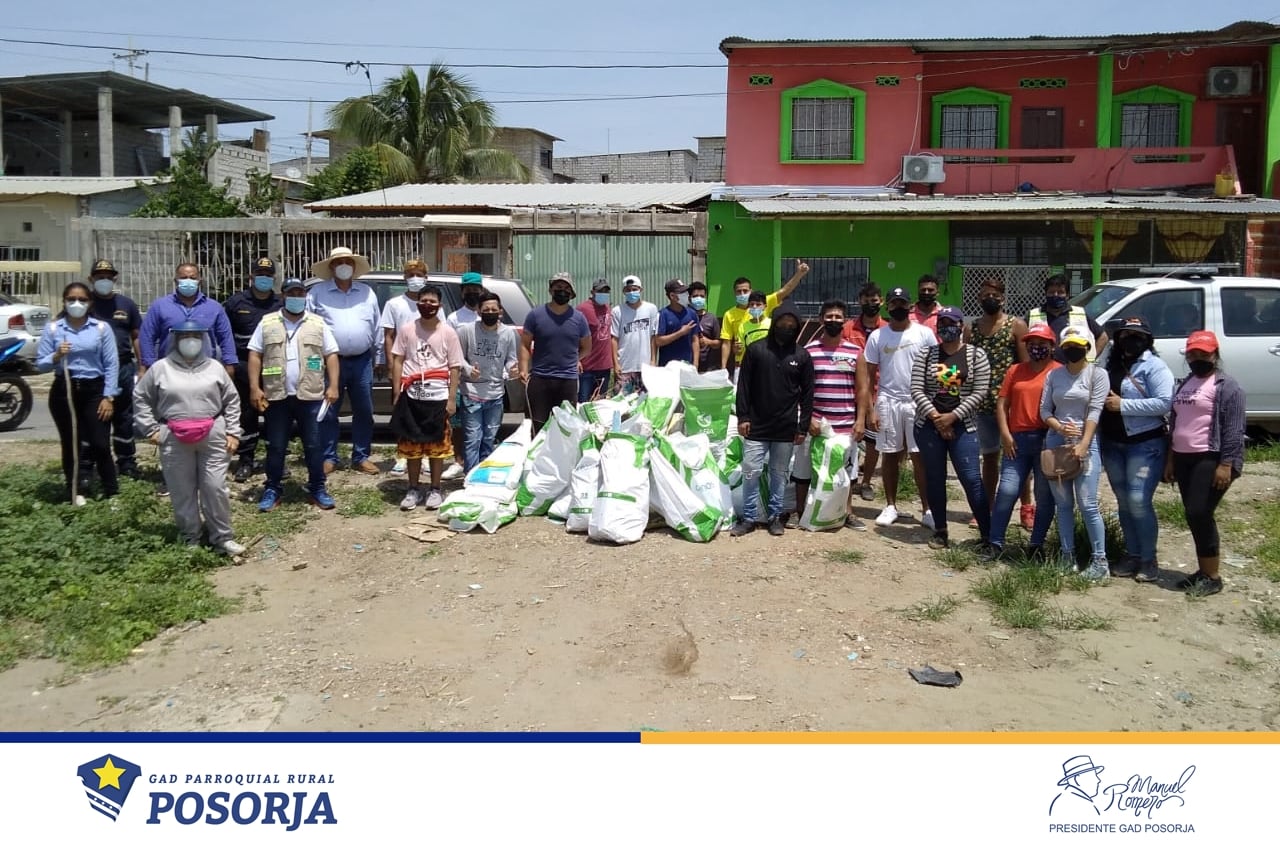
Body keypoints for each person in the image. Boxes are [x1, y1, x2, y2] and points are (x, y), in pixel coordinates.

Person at [133, 320, 245, 555]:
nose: (191, 341)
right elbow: (140, 396)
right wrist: (151, 429)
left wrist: (233, 432)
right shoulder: (161, 368)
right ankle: (190, 537)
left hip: (213, 433)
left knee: (215, 487)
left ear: (204, 339)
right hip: (173, 436)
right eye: (185, 336)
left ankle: (222, 537)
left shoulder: (214, 367)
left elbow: (232, 400)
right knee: (182, 489)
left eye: (196, 336)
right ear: (175, 339)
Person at [1164, 330, 1246, 597]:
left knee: (1199, 512)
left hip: (1210, 457)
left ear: (1215, 355)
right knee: (1193, 514)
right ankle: (1202, 571)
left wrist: (1226, 464)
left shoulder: (1227, 386)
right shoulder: (1185, 383)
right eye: (1193, 354)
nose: (1197, 358)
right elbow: (1176, 422)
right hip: (1183, 457)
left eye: (1203, 354)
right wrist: (1170, 459)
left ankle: (1213, 576)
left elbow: (1234, 429)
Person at [247, 278, 341, 512]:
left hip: (310, 394)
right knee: (276, 446)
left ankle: (317, 487)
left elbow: (331, 355)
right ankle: (272, 488)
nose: (296, 297)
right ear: (283, 296)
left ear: (305, 296)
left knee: (314, 445)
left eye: (300, 293)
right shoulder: (267, 322)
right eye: (291, 293)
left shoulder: (317, 323)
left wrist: (333, 386)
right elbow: (255, 354)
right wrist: (255, 387)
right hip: (276, 395)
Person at [910, 306, 992, 550]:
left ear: (961, 326)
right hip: (928, 426)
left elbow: (980, 391)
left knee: (971, 478)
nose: (947, 327)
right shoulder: (926, 354)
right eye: (942, 323)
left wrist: (953, 417)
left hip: (964, 426)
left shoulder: (976, 355)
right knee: (935, 478)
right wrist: (937, 418)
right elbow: (916, 389)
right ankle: (940, 530)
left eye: (952, 323)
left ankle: (988, 535)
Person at [1099, 317, 1174, 583]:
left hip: (1144, 444)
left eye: (1137, 335)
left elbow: (1165, 402)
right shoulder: (1110, 364)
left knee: (1138, 500)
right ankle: (1132, 554)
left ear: (1147, 340)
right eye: (1125, 335)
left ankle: (1148, 558)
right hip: (1112, 443)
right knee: (1123, 501)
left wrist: (1123, 406)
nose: (1130, 340)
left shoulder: (1155, 367)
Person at [731, 301, 814, 537]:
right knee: (751, 471)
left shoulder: (802, 356)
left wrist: (803, 427)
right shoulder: (756, 350)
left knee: (778, 473)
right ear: (774, 323)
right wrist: (743, 417)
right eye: (782, 323)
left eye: (791, 325)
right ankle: (748, 517)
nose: (786, 328)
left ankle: (775, 517)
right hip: (756, 425)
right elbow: (744, 386)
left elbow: (808, 394)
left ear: (797, 327)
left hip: (786, 427)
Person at [856, 287, 937, 530]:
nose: (898, 307)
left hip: (918, 402)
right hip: (888, 401)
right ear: (887, 306)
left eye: (902, 303)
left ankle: (928, 508)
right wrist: (871, 410)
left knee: (919, 456)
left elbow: (935, 369)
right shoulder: (878, 336)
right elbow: (869, 377)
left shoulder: (924, 334)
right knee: (889, 454)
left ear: (910, 306)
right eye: (894, 304)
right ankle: (890, 505)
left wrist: (933, 404)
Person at [35, 281, 120, 505]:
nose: (76, 303)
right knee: (71, 443)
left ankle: (112, 492)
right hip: (65, 390)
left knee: (100, 443)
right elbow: (40, 365)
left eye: (82, 299)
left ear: (90, 303)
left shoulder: (101, 328)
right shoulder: (54, 329)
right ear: (64, 302)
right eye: (71, 299)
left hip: (94, 390)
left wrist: (108, 396)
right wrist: (56, 356)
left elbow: (111, 364)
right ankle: (75, 490)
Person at [981, 322, 1059, 563]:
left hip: (1047, 441)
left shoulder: (1059, 372)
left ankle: (1036, 545)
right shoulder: (1015, 370)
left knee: (1044, 496)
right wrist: (1005, 434)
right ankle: (995, 543)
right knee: (1007, 490)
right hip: (1017, 441)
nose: (1036, 347)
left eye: (1041, 343)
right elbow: (1002, 404)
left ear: (1052, 346)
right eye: (1031, 343)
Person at [1039, 325, 1110, 580]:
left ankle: (1100, 561)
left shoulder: (1097, 375)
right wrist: (1059, 426)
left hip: (1085, 442)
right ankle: (1067, 556)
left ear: (1087, 348)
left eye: (1077, 346)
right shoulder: (1054, 375)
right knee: (1063, 504)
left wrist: (1084, 443)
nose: (1072, 350)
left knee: (1087, 503)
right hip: (1056, 441)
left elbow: (1095, 410)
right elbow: (1044, 410)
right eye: (1068, 346)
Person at [307, 246, 381, 475]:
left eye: (348, 262)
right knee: (328, 410)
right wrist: (313, 363)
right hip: (330, 361)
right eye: (339, 262)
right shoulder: (317, 293)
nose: (344, 266)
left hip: (362, 361)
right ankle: (329, 456)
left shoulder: (367, 293)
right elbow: (308, 328)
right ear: (331, 267)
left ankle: (361, 456)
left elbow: (376, 326)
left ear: (354, 266)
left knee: (364, 410)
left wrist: (379, 357)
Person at [390, 285, 464, 510]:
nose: (428, 305)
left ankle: (435, 489)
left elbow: (454, 367)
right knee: (412, 446)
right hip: (411, 395)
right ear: (417, 303)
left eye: (432, 302)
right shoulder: (407, 330)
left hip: (438, 396)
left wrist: (451, 399)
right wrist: (397, 391)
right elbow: (398, 360)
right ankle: (413, 488)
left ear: (439, 305)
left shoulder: (448, 333)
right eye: (424, 301)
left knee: (436, 447)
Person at [966, 277, 1031, 530]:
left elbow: (1025, 366)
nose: (989, 299)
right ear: (979, 299)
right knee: (990, 458)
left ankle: (1026, 508)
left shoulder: (1016, 325)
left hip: (1011, 404)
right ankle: (987, 508)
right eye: (985, 295)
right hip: (982, 404)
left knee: (1018, 457)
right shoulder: (971, 328)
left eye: (994, 295)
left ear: (1003, 298)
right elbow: (966, 364)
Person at [794, 299, 865, 531]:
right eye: (829, 317)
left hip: (845, 424)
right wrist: (807, 419)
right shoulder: (809, 351)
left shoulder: (855, 352)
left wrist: (861, 420)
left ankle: (847, 512)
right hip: (815, 423)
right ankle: (799, 511)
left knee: (846, 473)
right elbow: (799, 389)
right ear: (821, 319)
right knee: (804, 470)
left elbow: (862, 389)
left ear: (845, 321)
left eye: (838, 317)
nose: (833, 320)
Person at [223, 257, 282, 482]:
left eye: (268, 275)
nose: (264, 278)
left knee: (274, 415)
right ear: (251, 277)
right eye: (260, 274)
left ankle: (275, 461)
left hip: (272, 367)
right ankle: (246, 460)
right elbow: (224, 335)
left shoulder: (280, 304)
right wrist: (228, 363)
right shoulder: (236, 303)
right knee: (247, 415)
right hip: (243, 367)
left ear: (273, 278)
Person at [85, 258, 142, 481]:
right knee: (92, 417)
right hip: (93, 369)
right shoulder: (84, 304)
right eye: (100, 277)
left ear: (115, 279)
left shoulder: (126, 304)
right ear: (91, 279)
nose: (104, 281)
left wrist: (142, 366)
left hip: (123, 367)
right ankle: (88, 465)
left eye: (108, 277)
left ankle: (126, 462)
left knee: (124, 417)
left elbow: (136, 336)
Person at [519, 272, 591, 434]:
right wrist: (523, 368)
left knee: (565, 429)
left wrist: (575, 359)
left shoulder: (579, 318)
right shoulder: (535, 315)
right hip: (540, 379)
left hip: (567, 381)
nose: (562, 291)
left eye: (566, 288)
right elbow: (524, 344)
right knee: (537, 428)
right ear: (551, 290)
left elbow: (587, 347)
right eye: (558, 287)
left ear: (571, 293)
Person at [139, 262, 237, 376]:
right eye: (184, 277)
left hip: (205, 370)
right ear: (176, 280)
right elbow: (147, 336)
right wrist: (148, 365)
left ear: (200, 280)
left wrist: (229, 364)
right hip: (169, 370)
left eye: (193, 278)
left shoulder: (214, 308)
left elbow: (226, 337)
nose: (188, 281)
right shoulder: (160, 306)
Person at [458, 290, 519, 471]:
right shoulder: (466, 331)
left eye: (494, 309)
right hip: (471, 393)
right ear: (478, 311)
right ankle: (470, 475)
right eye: (486, 310)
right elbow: (457, 358)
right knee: (472, 439)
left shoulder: (508, 333)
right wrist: (469, 370)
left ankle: (483, 475)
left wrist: (512, 369)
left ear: (500, 311)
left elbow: (511, 359)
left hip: (496, 394)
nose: (490, 313)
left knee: (489, 438)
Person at [381, 259, 431, 476]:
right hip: (403, 365)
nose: (415, 279)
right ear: (404, 278)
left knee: (427, 411)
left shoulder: (432, 303)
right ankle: (403, 455)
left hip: (429, 366)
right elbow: (388, 336)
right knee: (402, 411)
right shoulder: (394, 304)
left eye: (419, 274)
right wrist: (391, 365)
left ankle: (426, 455)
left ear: (426, 278)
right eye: (411, 275)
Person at [719, 262, 810, 373]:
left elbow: (785, 291)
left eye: (745, 291)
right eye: (739, 291)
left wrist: (799, 274)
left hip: (766, 363)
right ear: (734, 293)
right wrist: (723, 368)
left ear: (751, 291)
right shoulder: (729, 314)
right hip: (743, 364)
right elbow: (726, 343)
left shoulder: (763, 303)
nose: (742, 294)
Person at [843, 282, 884, 501]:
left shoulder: (887, 329)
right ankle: (846, 479)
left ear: (881, 302)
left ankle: (866, 482)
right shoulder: (848, 328)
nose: (871, 304)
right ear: (860, 301)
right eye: (866, 301)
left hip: (877, 392)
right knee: (850, 436)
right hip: (850, 391)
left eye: (874, 301)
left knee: (872, 440)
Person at [1029, 273, 1108, 363]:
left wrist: (1090, 360)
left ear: (1067, 295)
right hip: (1043, 368)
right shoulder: (1033, 315)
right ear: (1045, 294)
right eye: (1051, 292)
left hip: (1074, 369)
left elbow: (1103, 337)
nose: (1055, 295)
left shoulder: (1080, 313)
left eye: (1060, 292)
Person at [610, 274, 658, 394]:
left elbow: (653, 337)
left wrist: (653, 360)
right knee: (622, 400)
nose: (631, 292)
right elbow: (614, 339)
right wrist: (616, 364)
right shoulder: (617, 311)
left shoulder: (651, 309)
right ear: (623, 292)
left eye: (634, 289)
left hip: (645, 366)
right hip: (625, 366)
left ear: (641, 289)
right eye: (628, 290)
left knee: (645, 400)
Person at [577, 278, 614, 402]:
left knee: (600, 404)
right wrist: (577, 359)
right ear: (592, 292)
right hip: (587, 367)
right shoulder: (582, 309)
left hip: (604, 367)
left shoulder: (607, 308)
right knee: (583, 403)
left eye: (606, 291)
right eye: (600, 291)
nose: (603, 294)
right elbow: (575, 336)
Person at [654, 278, 700, 366]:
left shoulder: (692, 313)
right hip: (668, 366)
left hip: (687, 365)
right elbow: (658, 341)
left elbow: (695, 340)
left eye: (686, 291)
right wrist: (680, 333)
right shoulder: (663, 314)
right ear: (672, 296)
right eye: (682, 292)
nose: (686, 295)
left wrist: (696, 363)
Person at [689, 282, 721, 373]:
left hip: (708, 366)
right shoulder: (685, 317)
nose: (699, 299)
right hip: (688, 364)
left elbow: (719, 343)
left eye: (702, 296)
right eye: (695, 296)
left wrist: (708, 341)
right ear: (689, 298)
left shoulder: (711, 318)